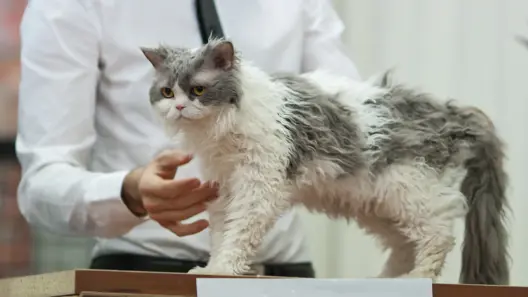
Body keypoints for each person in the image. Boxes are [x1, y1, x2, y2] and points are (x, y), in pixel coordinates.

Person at [15, 0, 361, 277]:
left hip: (285, 277)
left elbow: (351, 114)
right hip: (144, 276)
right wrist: (127, 193)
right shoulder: (70, 6)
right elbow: (41, 185)